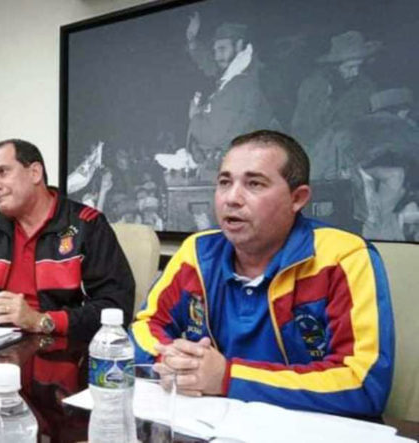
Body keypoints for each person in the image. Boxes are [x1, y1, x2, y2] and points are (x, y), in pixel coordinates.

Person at [131, 130, 394, 418]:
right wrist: (171, 361)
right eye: (224, 182)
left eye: (254, 184)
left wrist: (228, 378)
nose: (232, 198)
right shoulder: (197, 252)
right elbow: (144, 327)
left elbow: (362, 384)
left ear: (298, 198)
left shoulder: (343, 258)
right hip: (211, 426)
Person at [0, 139, 135, 340]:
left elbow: (115, 306)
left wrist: (39, 321)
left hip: (64, 354)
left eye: (3, 172)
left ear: (35, 173)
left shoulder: (88, 225)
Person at [185, 14, 279, 180]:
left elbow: (212, 137)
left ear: (239, 46)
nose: (216, 55)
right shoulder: (242, 71)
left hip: (239, 171)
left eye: (222, 49)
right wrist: (193, 42)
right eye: (215, 50)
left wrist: (195, 116)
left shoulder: (238, 85)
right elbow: (212, 65)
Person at [291, 30, 380, 178]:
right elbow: (301, 129)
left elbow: (369, 124)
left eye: (359, 66)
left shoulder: (365, 87)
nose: (355, 73)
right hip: (316, 155)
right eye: (350, 67)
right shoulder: (314, 86)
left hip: (355, 155)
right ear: (335, 67)